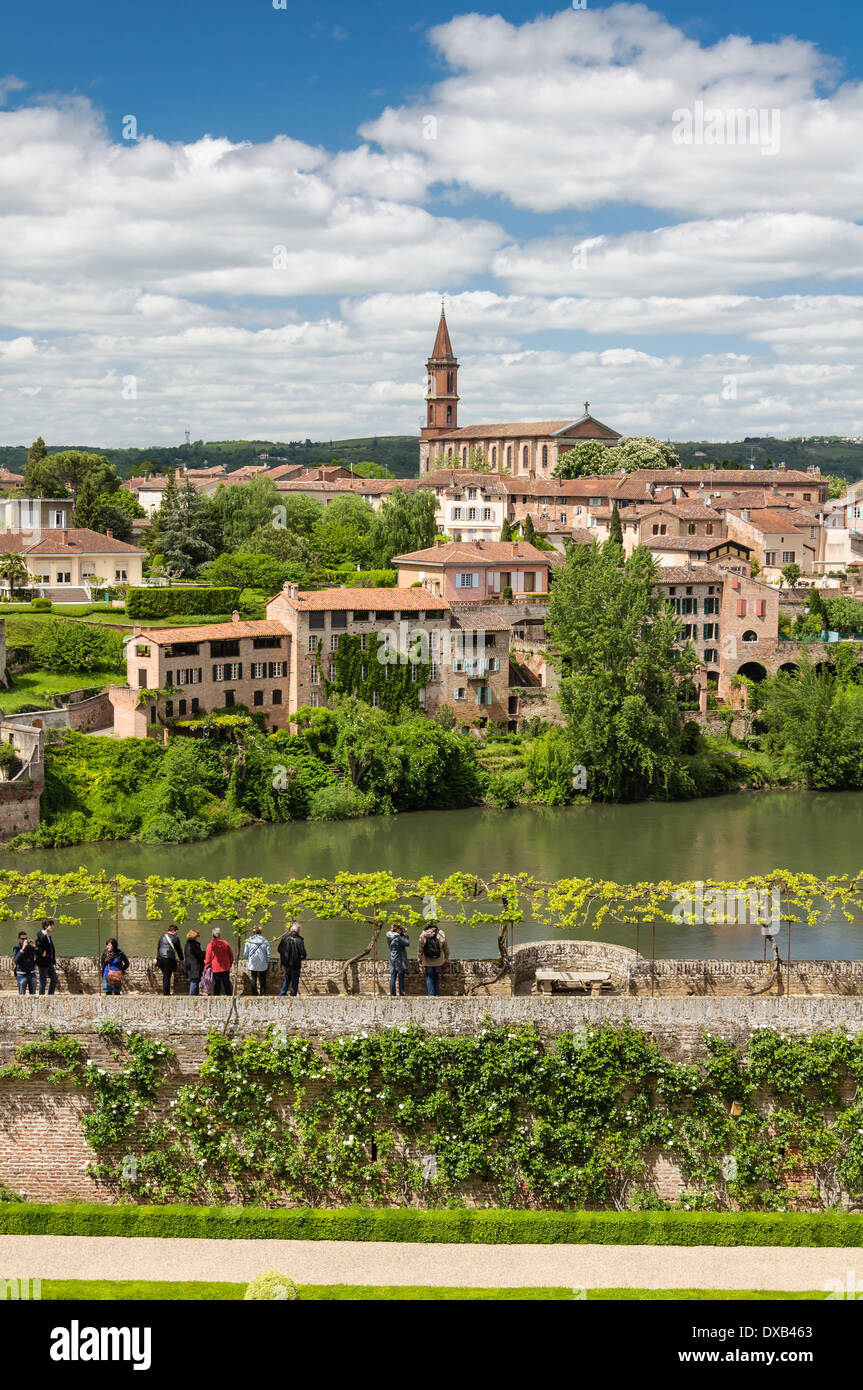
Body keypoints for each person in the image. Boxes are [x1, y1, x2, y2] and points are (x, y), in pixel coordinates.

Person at [417, 919, 449, 996]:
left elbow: (420, 949)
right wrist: (446, 957)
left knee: (429, 977)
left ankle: (431, 995)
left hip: (427, 960)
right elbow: (446, 947)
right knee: (436, 977)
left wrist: (419, 959)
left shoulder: (423, 934)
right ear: (435, 924)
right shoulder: (441, 933)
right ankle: (437, 994)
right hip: (438, 960)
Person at [278, 922, 307, 997]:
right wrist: (300, 958)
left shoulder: (284, 938)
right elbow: (303, 954)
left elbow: (279, 949)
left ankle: (282, 994)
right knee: (295, 981)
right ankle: (293, 995)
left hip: (286, 963)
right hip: (295, 964)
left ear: (291, 930)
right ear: (298, 931)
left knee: (287, 979)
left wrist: (284, 958)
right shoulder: (299, 940)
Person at [155, 924, 184, 997]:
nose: (177, 933)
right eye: (176, 931)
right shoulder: (176, 938)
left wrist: (157, 958)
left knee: (165, 976)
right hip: (169, 959)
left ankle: (166, 992)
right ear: (173, 931)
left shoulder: (161, 937)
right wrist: (182, 959)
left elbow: (159, 948)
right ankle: (166, 993)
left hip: (161, 959)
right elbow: (179, 950)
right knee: (167, 976)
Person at [205, 927, 234, 995]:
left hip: (215, 968)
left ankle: (217, 998)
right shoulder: (226, 943)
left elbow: (208, 958)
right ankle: (229, 998)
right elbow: (231, 956)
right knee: (227, 984)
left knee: (216, 985)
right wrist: (229, 964)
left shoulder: (211, 945)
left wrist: (206, 967)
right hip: (225, 967)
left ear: (212, 935)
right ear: (220, 934)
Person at [243, 929, 272, 996]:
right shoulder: (265, 941)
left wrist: (249, 959)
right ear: (261, 932)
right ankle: (263, 993)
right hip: (262, 963)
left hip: (253, 963)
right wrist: (266, 961)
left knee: (254, 978)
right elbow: (269, 954)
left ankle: (254, 993)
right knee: (263, 979)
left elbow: (245, 954)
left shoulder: (249, 941)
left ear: (253, 932)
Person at [35, 918, 58, 996]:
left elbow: (50, 948)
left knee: (54, 978)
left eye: (52, 925)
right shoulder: (41, 935)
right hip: (43, 962)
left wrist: (52, 959)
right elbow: (36, 947)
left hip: (48, 962)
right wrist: (42, 952)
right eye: (50, 925)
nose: (52, 927)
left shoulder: (48, 935)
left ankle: (50, 995)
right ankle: (41, 997)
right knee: (43, 981)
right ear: (45, 926)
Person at [386, 923, 410, 997]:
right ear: (398, 929)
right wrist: (405, 934)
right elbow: (407, 943)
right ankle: (401, 993)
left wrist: (401, 933)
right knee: (400, 976)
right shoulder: (398, 937)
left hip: (392, 958)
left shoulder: (389, 935)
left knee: (393, 976)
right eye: (400, 929)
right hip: (399, 959)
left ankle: (392, 993)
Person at [184, 929, 205, 996]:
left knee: (194, 981)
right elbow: (200, 955)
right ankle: (192, 997)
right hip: (195, 966)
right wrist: (206, 952)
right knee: (194, 981)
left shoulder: (187, 944)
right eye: (197, 936)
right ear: (194, 936)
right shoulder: (194, 945)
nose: (198, 938)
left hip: (189, 965)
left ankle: (194, 995)